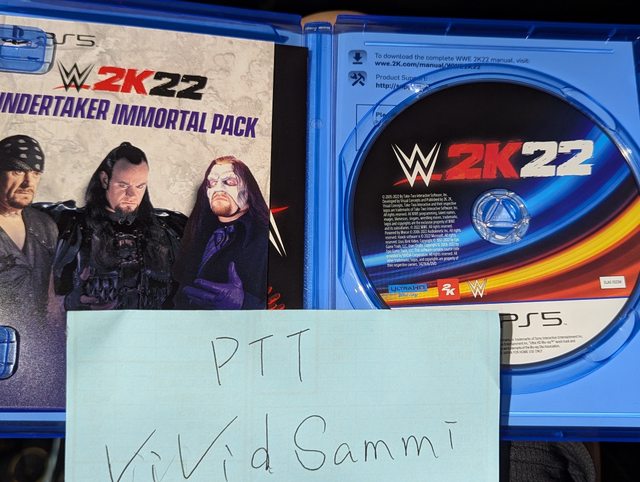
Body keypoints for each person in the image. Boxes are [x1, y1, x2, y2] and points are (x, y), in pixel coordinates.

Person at [48, 142, 186, 310]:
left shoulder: (172, 227)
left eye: (140, 186)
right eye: (123, 185)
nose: (132, 195)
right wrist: (69, 303)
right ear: (105, 180)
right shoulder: (69, 224)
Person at [173, 155, 269, 309]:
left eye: (229, 182)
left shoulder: (265, 239)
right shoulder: (197, 232)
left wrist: (244, 303)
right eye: (211, 183)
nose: (218, 189)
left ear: (248, 190)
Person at [0, 134, 59, 325]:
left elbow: (55, 294)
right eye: (17, 171)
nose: (28, 182)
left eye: (35, 173)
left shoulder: (45, 225)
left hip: (39, 335)